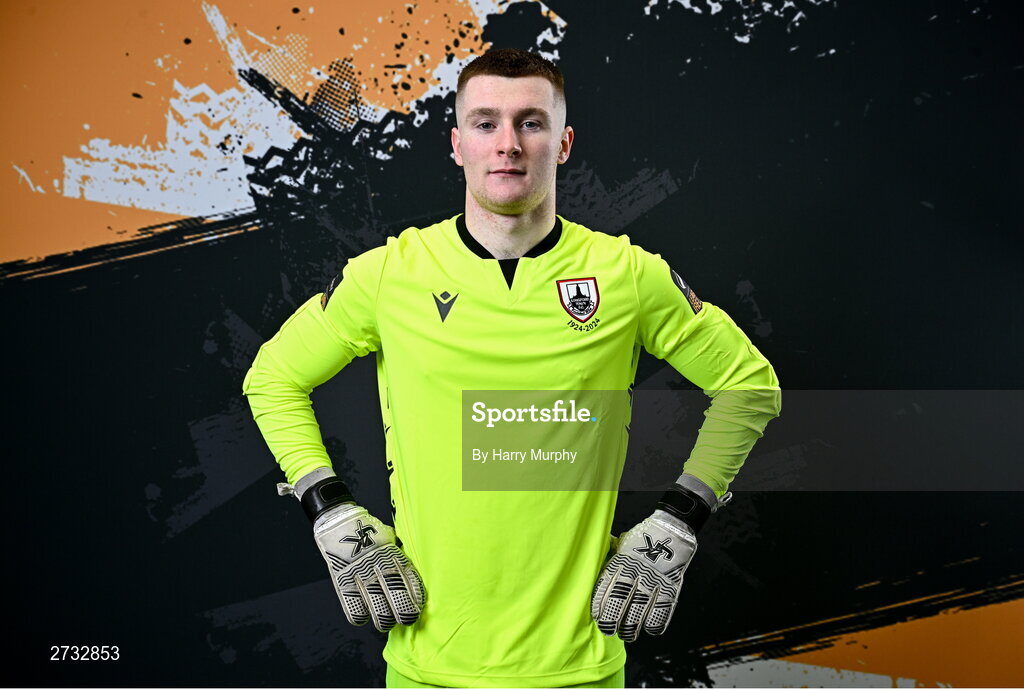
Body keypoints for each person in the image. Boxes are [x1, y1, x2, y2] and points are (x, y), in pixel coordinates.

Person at [242, 48, 781, 689]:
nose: (508, 144)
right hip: (427, 669)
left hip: (580, 670)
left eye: (530, 122)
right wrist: (328, 508)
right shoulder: (390, 274)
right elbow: (272, 378)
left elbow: (749, 386)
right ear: (456, 143)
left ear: (563, 142)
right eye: (485, 123)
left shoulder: (627, 275)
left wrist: (678, 520)